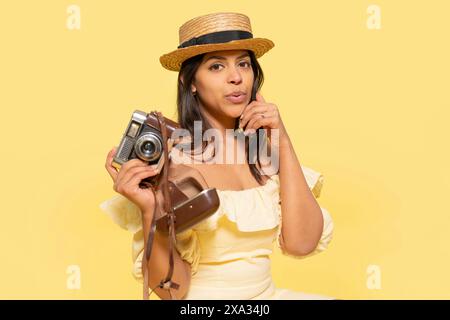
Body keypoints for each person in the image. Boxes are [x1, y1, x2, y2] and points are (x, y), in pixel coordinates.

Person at [100, 12, 335, 300]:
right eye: (216, 66)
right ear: (191, 82)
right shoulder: (171, 163)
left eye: (244, 64)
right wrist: (150, 211)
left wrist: (282, 140)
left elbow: (302, 244)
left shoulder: (265, 154)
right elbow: (172, 292)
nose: (236, 78)